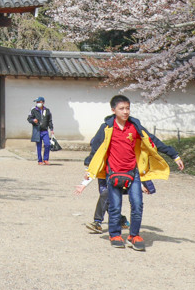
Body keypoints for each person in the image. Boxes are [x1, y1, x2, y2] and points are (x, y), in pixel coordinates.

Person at [74, 95, 180, 251]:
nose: (125, 112)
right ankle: (115, 234)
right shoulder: (106, 128)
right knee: (115, 206)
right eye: (121, 108)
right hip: (113, 173)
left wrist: (174, 155)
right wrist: (89, 169)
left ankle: (134, 235)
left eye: (127, 108)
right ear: (113, 110)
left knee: (137, 204)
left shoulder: (135, 127)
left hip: (133, 173)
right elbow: (96, 149)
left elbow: (152, 141)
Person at [28, 96, 53, 164]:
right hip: (37, 130)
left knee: (47, 144)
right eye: (37, 102)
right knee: (39, 146)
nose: (38, 103)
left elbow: (50, 120)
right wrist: (33, 120)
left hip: (45, 131)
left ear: (43, 102)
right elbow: (29, 119)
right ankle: (40, 160)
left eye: (39, 102)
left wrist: (51, 129)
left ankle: (46, 159)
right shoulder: (33, 110)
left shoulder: (47, 110)